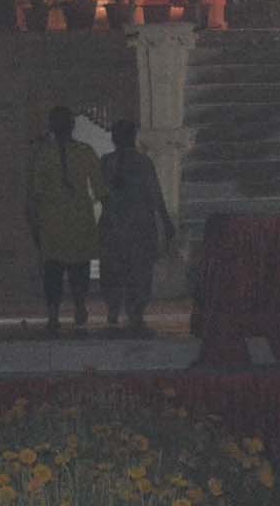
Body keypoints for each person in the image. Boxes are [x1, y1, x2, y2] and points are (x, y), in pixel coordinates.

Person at [25, 104, 103, 334]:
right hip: (65, 218)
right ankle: (66, 309)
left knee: (62, 269)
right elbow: (100, 187)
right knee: (65, 268)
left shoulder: (55, 153)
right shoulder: (54, 153)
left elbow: (36, 193)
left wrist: (34, 220)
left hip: (61, 219)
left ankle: (63, 310)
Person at [97, 119, 176, 337]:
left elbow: (105, 193)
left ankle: (121, 309)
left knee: (121, 269)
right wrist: (165, 220)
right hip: (134, 223)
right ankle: (131, 312)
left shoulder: (111, 162)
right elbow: (154, 195)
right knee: (135, 270)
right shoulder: (139, 162)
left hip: (121, 223)